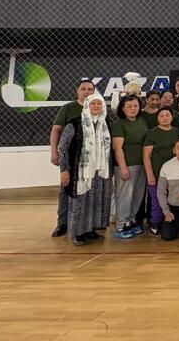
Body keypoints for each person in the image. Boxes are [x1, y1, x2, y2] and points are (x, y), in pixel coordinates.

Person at [58, 93, 112, 246]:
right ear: (87, 105)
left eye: (99, 104)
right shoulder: (75, 124)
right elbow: (62, 147)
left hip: (98, 171)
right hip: (80, 171)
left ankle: (90, 230)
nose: (96, 106)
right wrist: (64, 169)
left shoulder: (104, 124)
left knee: (95, 200)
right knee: (80, 202)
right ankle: (77, 232)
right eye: (93, 103)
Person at [49, 79, 96, 237]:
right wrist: (54, 152)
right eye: (83, 89)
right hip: (71, 156)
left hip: (90, 158)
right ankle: (62, 223)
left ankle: (88, 224)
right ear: (77, 91)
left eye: (90, 89)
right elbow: (56, 130)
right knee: (66, 188)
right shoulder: (68, 108)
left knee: (89, 191)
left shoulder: (97, 107)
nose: (87, 92)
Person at [111, 94, 149, 239]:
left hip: (142, 164)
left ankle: (131, 221)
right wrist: (123, 167)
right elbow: (117, 148)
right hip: (127, 165)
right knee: (125, 195)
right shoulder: (119, 125)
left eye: (135, 106)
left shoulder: (142, 121)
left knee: (137, 194)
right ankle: (121, 225)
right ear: (123, 108)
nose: (133, 109)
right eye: (129, 106)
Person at [142, 107, 179, 236]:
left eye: (167, 115)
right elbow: (146, 156)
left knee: (172, 199)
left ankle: (170, 222)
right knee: (157, 201)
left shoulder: (177, 131)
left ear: (172, 117)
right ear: (157, 119)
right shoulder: (152, 133)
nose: (165, 118)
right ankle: (155, 224)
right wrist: (150, 174)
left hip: (173, 174)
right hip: (157, 173)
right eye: (161, 116)